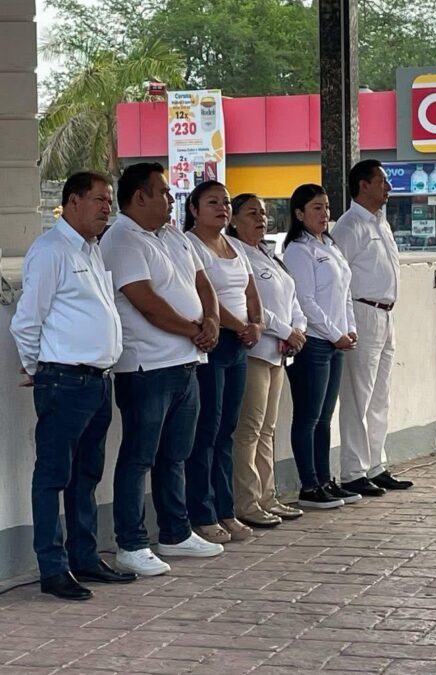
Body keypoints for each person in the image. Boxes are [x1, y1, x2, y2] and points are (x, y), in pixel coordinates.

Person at [9, 171, 136, 602]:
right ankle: (53, 567)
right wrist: (38, 368)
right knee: (53, 476)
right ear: (72, 201)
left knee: (86, 475)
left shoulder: (92, 249)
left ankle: (84, 557)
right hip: (63, 379)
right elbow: (27, 320)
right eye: (100, 199)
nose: (107, 207)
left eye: (109, 200)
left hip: (97, 382)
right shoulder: (51, 251)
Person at [100, 162, 225, 577]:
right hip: (146, 366)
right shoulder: (121, 238)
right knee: (139, 456)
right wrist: (195, 329)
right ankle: (131, 543)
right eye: (164, 193)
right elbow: (144, 300)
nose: (171, 200)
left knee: (176, 454)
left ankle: (175, 531)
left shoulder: (171, 234)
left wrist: (211, 321)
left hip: (186, 362)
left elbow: (203, 282)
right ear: (140, 197)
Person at [183, 181, 263, 543]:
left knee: (228, 429)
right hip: (213, 341)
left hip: (239, 345)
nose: (222, 208)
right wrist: (239, 325)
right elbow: (205, 296)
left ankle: (226, 510)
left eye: (226, 202)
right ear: (194, 209)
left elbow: (250, 290)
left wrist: (256, 324)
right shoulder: (191, 245)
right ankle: (203, 512)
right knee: (207, 431)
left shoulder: (234, 246)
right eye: (212, 202)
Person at [332, 160, 414, 496]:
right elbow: (338, 280)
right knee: (358, 396)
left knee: (381, 396)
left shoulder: (382, 223)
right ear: (363, 185)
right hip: (362, 312)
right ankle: (352, 471)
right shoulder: (348, 226)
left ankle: (375, 465)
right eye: (381, 181)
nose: (388, 187)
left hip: (386, 313)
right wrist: (345, 322)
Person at [228, 193, 307, 526]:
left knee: (268, 430)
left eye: (262, 213)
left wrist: (297, 329)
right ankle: (247, 502)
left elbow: (292, 299)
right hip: (256, 352)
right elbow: (253, 307)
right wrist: (286, 330)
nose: (260, 219)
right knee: (249, 429)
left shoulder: (269, 254)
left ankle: (267, 496)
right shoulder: (236, 254)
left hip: (278, 353)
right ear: (233, 220)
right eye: (250, 214)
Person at [282, 184, 361, 510]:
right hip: (314, 342)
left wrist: (350, 329)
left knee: (325, 417)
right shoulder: (299, 250)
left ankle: (325, 479)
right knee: (308, 416)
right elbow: (306, 301)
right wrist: (332, 333)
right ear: (299, 213)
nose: (324, 214)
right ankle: (309, 484)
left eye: (326, 207)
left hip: (335, 341)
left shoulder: (329, 245)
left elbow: (344, 294)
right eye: (316, 208)